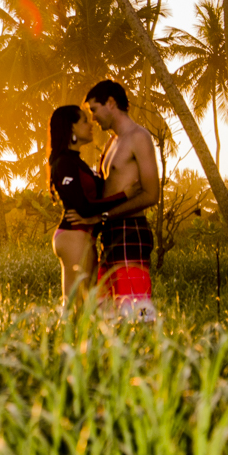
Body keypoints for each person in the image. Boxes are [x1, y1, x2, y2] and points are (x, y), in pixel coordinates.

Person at [65, 80, 160, 321]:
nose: (93, 118)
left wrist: (103, 215)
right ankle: (114, 358)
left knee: (138, 311)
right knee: (105, 312)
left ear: (110, 103)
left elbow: (151, 194)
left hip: (130, 232)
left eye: (94, 110)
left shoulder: (139, 137)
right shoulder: (111, 142)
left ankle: (146, 354)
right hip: (109, 235)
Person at [47, 105, 126, 307]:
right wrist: (125, 196)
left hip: (82, 236)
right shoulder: (64, 163)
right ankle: (54, 338)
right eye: (83, 120)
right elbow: (83, 206)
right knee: (77, 306)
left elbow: (94, 196)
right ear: (71, 128)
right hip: (74, 235)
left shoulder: (76, 161)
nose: (90, 124)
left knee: (84, 305)